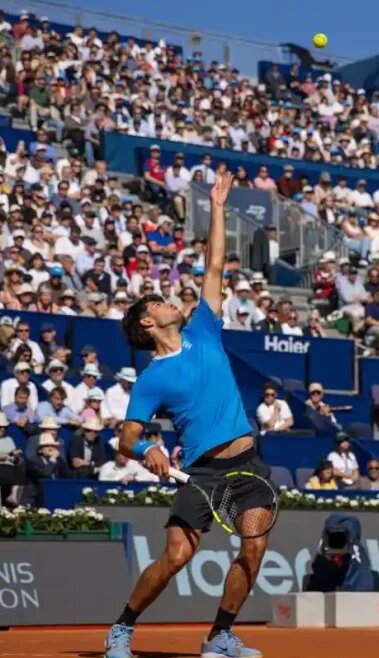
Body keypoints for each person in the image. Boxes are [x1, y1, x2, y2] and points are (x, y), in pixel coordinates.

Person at [105, 173, 275, 658]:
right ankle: (122, 627)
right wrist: (148, 448)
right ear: (146, 321)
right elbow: (126, 438)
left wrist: (218, 208)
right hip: (201, 473)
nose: (168, 299)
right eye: (157, 301)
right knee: (177, 556)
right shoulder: (151, 378)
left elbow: (214, 265)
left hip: (249, 466)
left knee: (253, 551)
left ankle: (220, 635)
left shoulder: (205, 329)